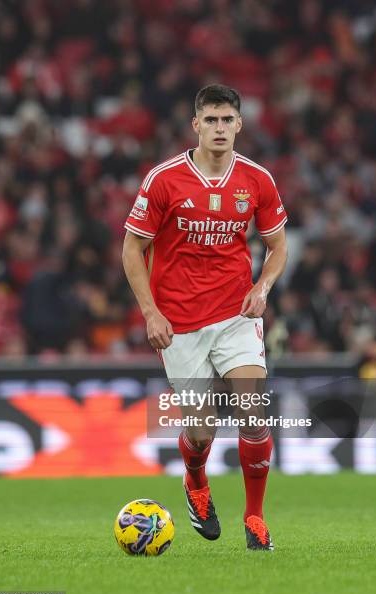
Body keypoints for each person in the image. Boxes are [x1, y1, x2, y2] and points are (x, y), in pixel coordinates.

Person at [122, 84, 287, 550]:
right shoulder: (164, 179)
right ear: (195, 125)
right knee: (201, 429)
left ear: (240, 124)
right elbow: (133, 247)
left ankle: (254, 518)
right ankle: (196, 481)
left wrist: (262, 287)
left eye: (226, 120)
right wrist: (150, 312)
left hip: (236, 312)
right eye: (210, 120)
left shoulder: (257, 179)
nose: (219, 128)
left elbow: (278, 246)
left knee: (253, 412)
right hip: (179, 322)